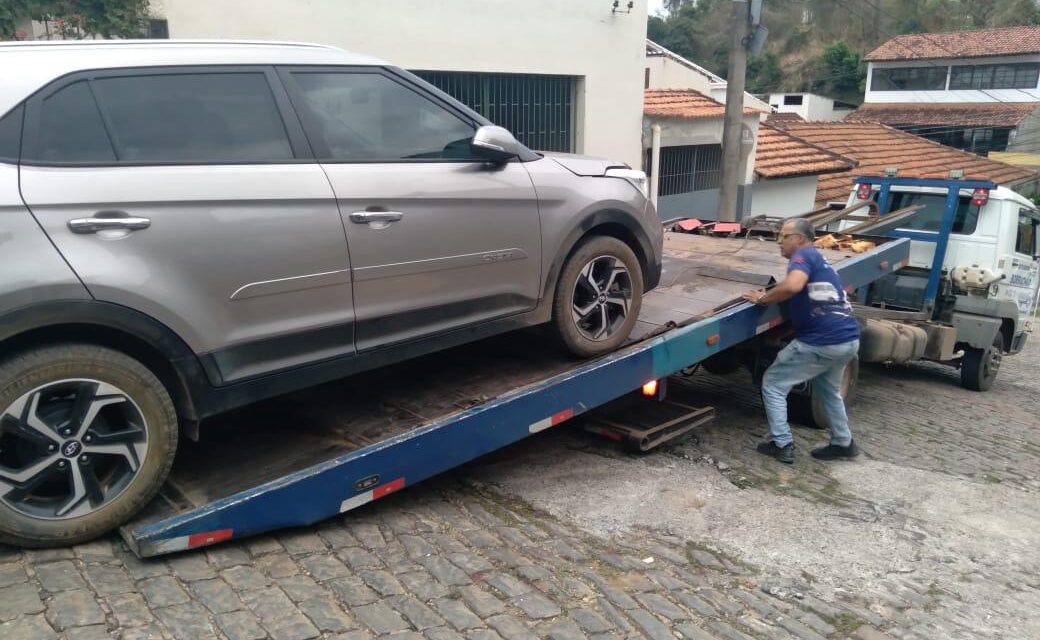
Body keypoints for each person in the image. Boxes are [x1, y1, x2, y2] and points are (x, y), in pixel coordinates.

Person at [741, 218, 861, 464]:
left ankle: (781, 443)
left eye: (785, 236)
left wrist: (763, 298)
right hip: (847, 338)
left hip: (821, 341)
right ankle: (843, 442)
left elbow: (793, 285)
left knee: (773, 383)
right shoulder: (820, 260)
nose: (779, 241)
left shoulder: (802, 256)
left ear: (801, 239)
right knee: (829, 390)